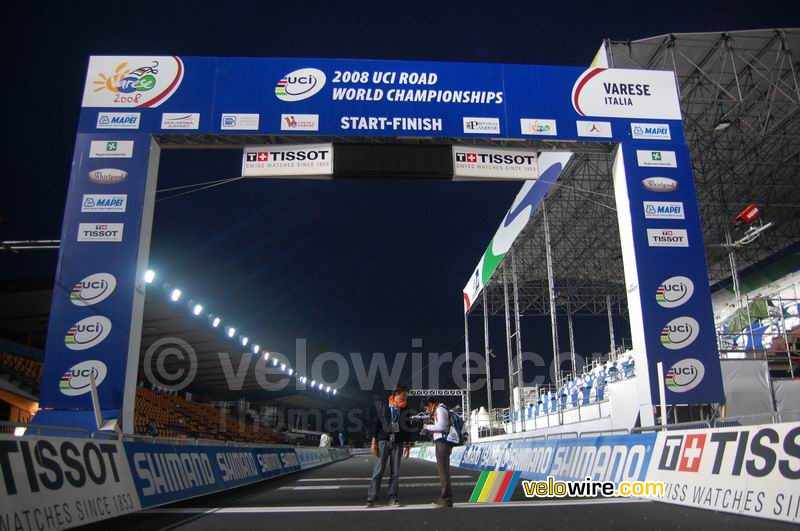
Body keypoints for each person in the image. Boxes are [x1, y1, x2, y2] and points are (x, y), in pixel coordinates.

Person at [366, 384, 413, 507]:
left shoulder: (405, 409)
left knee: (395, 472)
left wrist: (407, 446)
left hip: (398, 442)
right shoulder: (384, 407)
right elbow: (376, 424)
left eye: (406, 396)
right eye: (404, 395)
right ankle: (371, 498)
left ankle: (393, 497)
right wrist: (373, 441)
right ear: (396, 394)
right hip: (383, 441)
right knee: (378, 471)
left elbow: (408, 428)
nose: (405, 398)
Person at [421, 396, 453, 508]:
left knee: (443, 471)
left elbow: (441, 426)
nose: (426, 411)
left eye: (426, 408)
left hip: (443, 443)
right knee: (443, 471)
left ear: (430, 404)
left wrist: (427, 426)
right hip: (441, 442)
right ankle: (445, 497)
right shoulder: (441, 409)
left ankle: (446, 499)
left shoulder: (440, 409)